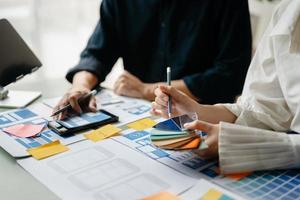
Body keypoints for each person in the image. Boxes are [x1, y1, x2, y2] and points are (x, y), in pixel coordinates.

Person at [151, 0, 300, 174]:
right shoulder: (287, 11)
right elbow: (264, 107)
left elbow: (229, 73)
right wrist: (198, 111)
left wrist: (240, 144)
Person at [53, 0, 252, 119]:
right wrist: (80, 87)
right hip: (138, 115)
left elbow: (231, 74)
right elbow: (96, 54)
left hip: (205, 117)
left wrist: (146, 90)